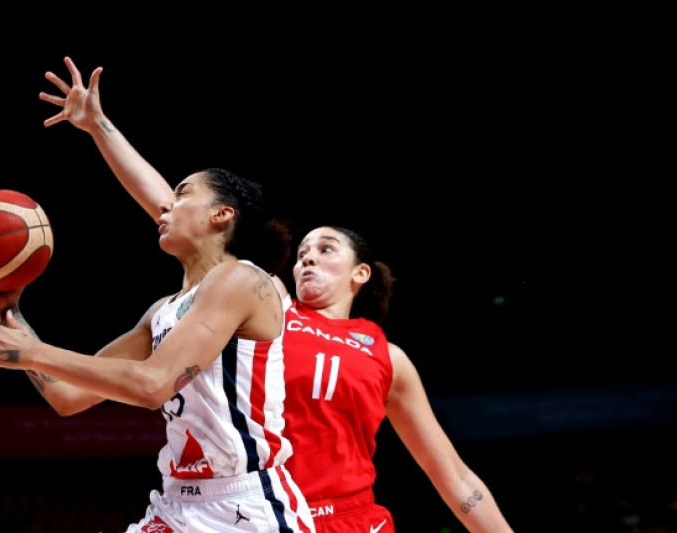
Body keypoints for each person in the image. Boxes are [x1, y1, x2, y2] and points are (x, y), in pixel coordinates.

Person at [35, 56, 515, 532]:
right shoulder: (269, 303)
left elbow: (452, 476)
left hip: (352, 520)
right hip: (258, 507)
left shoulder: (388, 357)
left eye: (326, 249)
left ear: (361, 273)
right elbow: (170, 208)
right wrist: (99, 127)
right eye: (304, 249)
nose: (308, 257)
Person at [0, 167, 315, 531]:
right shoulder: (161, 312)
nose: (165, 205)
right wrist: (11, 315)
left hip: (244, 507)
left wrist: (29, 352)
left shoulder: (242, 279)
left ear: (222, 214)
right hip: (177, 504)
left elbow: (153, 384)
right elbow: (67, 396)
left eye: (182, 194)